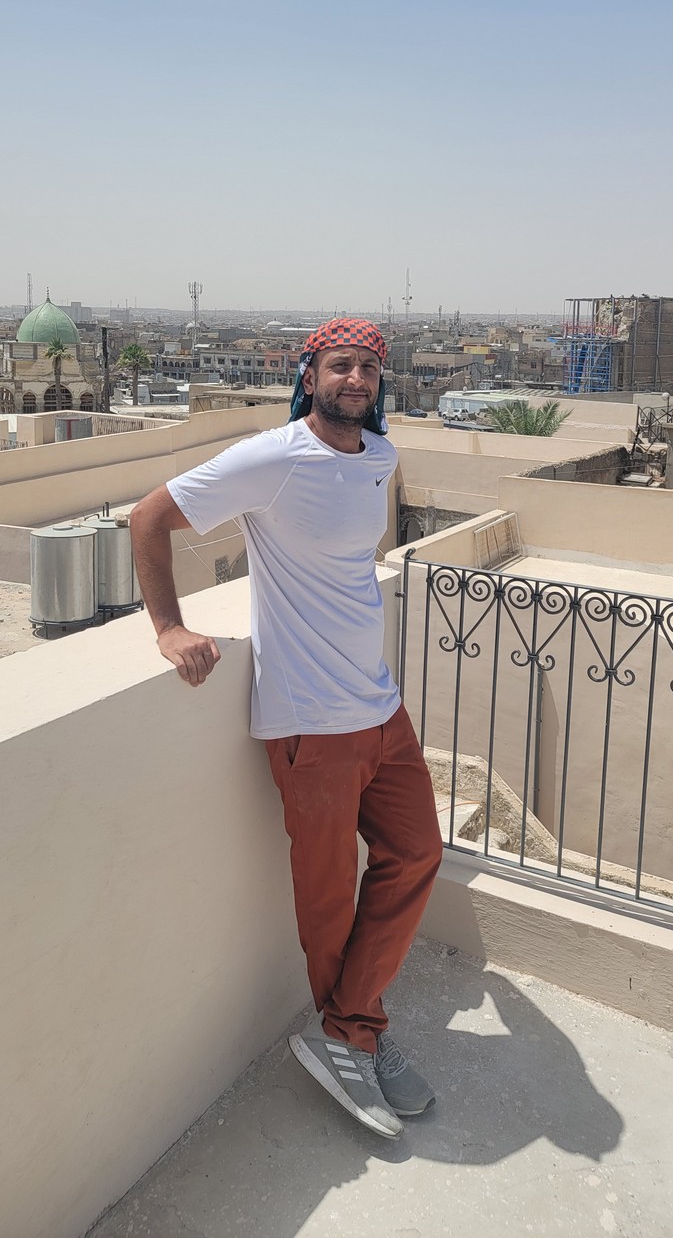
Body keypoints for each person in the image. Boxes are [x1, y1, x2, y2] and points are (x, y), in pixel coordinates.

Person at [129, 318, 443, 1138]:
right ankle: (358, 1036)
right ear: (309, 375)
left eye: (369, 368)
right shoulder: (273, 458)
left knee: (417, 854)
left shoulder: (380, 458)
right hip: (310, 717)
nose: (357, 379)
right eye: (341, 365)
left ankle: (349, 1029)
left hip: (379, 706)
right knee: (328, 897)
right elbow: (147, 518)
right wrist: (168, 629)